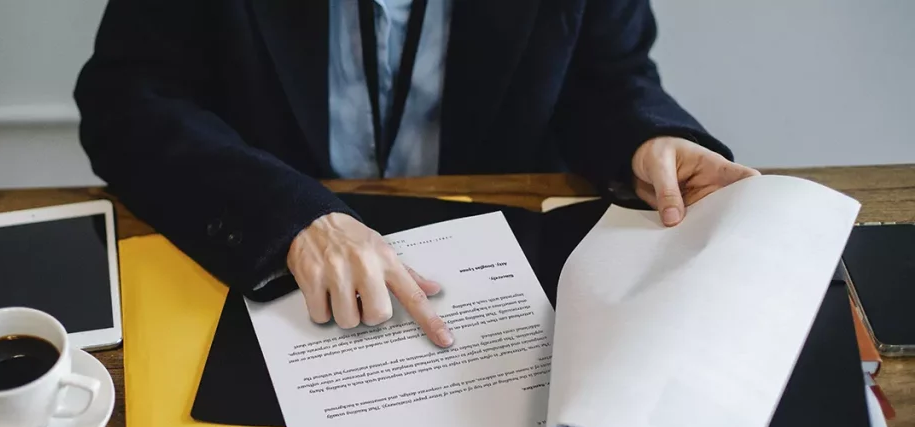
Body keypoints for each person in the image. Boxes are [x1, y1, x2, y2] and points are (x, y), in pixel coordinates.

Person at [74, 0, 758, 348]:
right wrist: (289, 215)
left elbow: (607, 76)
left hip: (505, 268)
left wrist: (649, 138)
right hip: (273, 254)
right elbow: (127, 100)